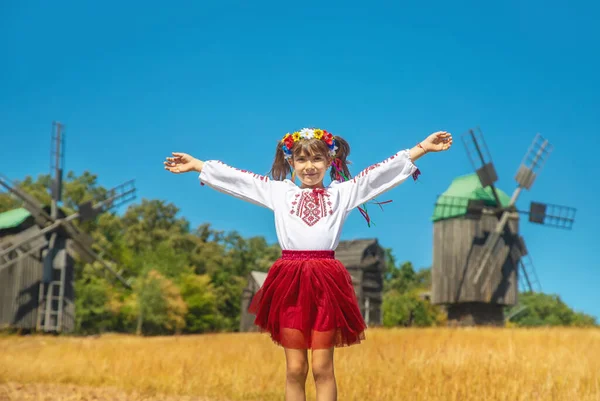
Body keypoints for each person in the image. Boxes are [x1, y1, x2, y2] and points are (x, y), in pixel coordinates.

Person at [164, 128, 452, 401]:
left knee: (322, 368)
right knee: (295, 369)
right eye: (301, 159)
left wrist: (422, 148)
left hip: (327, 283)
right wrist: (197, 165)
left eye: (316, 159)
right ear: (291, 161)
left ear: (330, 161)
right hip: (289, 282)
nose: (309, 166)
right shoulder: (279, 192)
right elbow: (241, 180)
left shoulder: (342, 193)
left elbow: (377, 174)